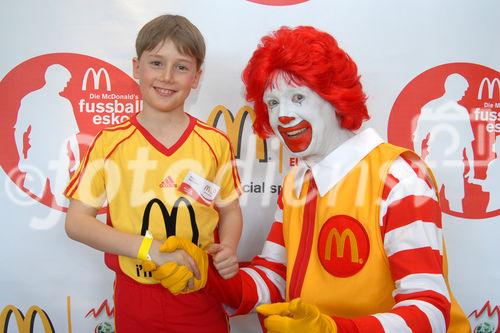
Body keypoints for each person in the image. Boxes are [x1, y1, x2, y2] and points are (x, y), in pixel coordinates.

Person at [157, 26, 471, 332]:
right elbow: (274, 278)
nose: (282, 115)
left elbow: (429, 309)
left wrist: (333, 330)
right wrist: (205, 276)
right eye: (273, 103)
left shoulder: (399, 176)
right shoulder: (297, 181)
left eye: (298, 97)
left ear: (334, 96)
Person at [64, 14, 242, 333]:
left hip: (199, 291)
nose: (168, 77)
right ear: (137, 68)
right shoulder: (110, 142)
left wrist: (228, 247)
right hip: (136, 299)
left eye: (182, 67)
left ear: (197, 77)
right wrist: (150, 250)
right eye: (157, 63)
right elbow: (77, 223)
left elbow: (230, 210)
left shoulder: (215, 143)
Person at [14, 64, 80, 207]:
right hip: (37, 157)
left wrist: (78, 159)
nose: (66, 85)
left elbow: (71, 136)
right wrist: (22, 158)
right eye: (65, 81)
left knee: (64, 204)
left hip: (60, 159)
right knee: (30, 200)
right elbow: (19, 131)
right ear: (54, 79)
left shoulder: (65, 103)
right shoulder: (30, 100)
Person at [412, 73, 475, 213]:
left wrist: (472, 167)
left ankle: (458, 232)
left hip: (455, 164)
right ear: (453, 88)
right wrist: (420, 164)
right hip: (435, 164)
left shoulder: (462, 112)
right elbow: (418, 137)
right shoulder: (432, 107)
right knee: (428, 204)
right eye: (463, 90)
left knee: (456, 204)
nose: (464, 94)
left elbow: (467, 142)